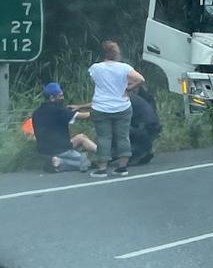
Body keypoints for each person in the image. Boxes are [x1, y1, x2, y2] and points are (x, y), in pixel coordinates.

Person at [88, 40, 145, 177]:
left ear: (104, 54)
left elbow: (94, 82)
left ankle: (102, 168)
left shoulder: (95, 68)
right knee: (123, 136)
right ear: (117, 54)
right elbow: (141, 79)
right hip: (122, 106)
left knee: (104, 137)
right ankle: (122, 167)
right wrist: (128, 88)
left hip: (101, 107)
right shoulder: (124, 68)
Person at [30, 83, 97, 173]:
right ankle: (59, 163)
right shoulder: (59, 110)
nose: (62, 98)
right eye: (60, 96)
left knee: (81, 137)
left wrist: (77, 107)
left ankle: (102, 153)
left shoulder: (36, 112)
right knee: (86, 163)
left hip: (43, 150)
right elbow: (84, 116)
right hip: (61, 149)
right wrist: (101, 113)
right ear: (52, 98)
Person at [127, 84, 161, 166]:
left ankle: (136, 152)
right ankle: (141, 151)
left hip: (143, 127)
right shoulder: (145, 98)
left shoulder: (127, 98)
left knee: (117, 128)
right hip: (152, 126)